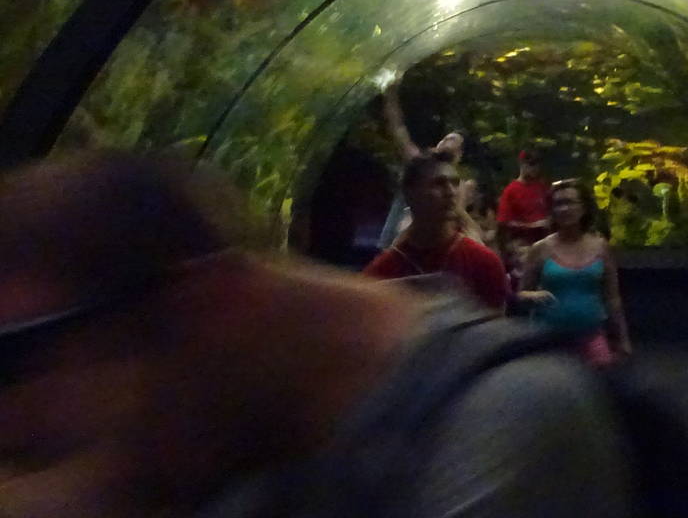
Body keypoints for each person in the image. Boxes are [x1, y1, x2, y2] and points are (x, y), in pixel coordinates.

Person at [0, 151, 639, 518]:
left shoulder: (509, 421)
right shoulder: (251, 445)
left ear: (201, 307)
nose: (16, 429)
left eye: (26, 356)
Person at [364, 152, 508, 313]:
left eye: (455, 183)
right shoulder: (382, 272)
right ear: (410, 194)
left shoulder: (483, 263)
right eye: (439, 184)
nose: (451, 192)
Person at [518, 179, 631, 367]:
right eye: (558, 204)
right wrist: (533, 295)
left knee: (597, 389)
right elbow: (520, 294)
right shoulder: (540, 249)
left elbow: (612, 298)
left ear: (584, 207)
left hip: (591, 337)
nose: (563, 209)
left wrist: (622, 339)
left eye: (569, 202)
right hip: (548, 341)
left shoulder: (601, 247)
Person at [378, 79, 484, 243]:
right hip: (404, 234)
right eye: (446, 138)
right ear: (438, 144)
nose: (447, 142)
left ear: (459, 154)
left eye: (454, 140)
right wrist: (390, 94)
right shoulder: (419, 163)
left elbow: (459, 215)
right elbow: (398, 129)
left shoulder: (462, 184)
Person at [496, 148, 553, 268]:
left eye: (537, 165)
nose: (534, 169)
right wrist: (531, 225)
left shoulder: (542, 187)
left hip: (544, 241)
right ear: (522, 164)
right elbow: (503, 223)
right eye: (531, 164)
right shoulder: (510, 190)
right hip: (522, 244)